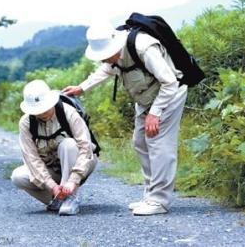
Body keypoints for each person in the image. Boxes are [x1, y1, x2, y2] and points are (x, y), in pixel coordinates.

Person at [63, 21, 188, 215]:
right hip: (145, 98)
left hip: (169, 95)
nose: (104, 60)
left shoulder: (143, 48)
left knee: (158, 143)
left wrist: (155, 113)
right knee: (140, 141)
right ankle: (150, 195)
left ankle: (159, 201)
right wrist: (82, 87)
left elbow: (170, 82)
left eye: (105, 55)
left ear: (114, 46)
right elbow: (106, 70)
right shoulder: (112, 57)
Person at [11, 79, 97, 215]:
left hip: (80, 164)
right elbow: (31, 159)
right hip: (51, 170)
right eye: (37, 110)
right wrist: (52, 186)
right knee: (18, 176)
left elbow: (85, 148)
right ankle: (57, 199)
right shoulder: (26, 123)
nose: (42, 113)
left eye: (45, 107)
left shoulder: (68, 113)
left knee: (68, 144)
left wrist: (73, 181)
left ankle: (70, 196)